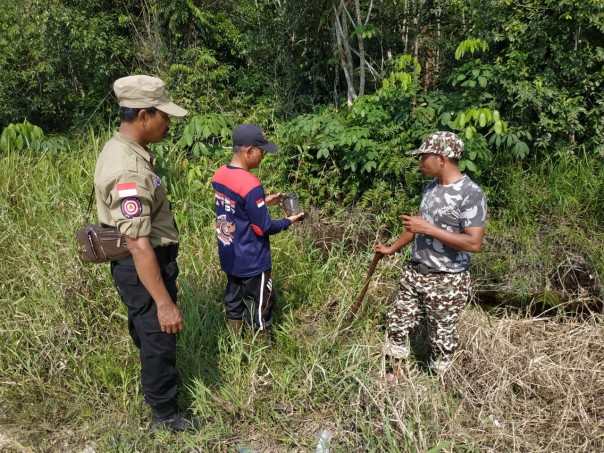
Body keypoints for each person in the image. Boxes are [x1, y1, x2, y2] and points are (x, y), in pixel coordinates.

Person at [94, 75, 197, 431]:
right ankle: (165, 416)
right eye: (163, 116)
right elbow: (138, 243)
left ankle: (160, 399)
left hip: (142, 265)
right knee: (158, 336)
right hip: (144, 265)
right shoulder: (128, 168)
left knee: (150, 333)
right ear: (143, 116)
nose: (168, 123)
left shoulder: (124, 151)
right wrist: (165, 302)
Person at [373, 131, 487, 374]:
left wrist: (428, 228)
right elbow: (418, 227)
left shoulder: (470, 193)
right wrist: (391, 249)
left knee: (442, 339)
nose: (420, 163)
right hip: (415, 272)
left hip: (447, 279)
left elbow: (473, 243)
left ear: (442, 158)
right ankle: (394, 376)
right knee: (397, 323)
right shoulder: (431, 188)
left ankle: (438, 385)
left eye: (424, 157)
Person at [211, 124, 305, 334]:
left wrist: (264, 201)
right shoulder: (251, 183)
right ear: (249, 151)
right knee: (262, 305)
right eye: (261, 151)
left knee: (234, 302)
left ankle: (235, 344)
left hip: (230, 254)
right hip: (252, 259)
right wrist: (289, 220)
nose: (263, 156)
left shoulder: (220, 175)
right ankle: (263, 354)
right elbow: (264, 227)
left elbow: (235, 207)